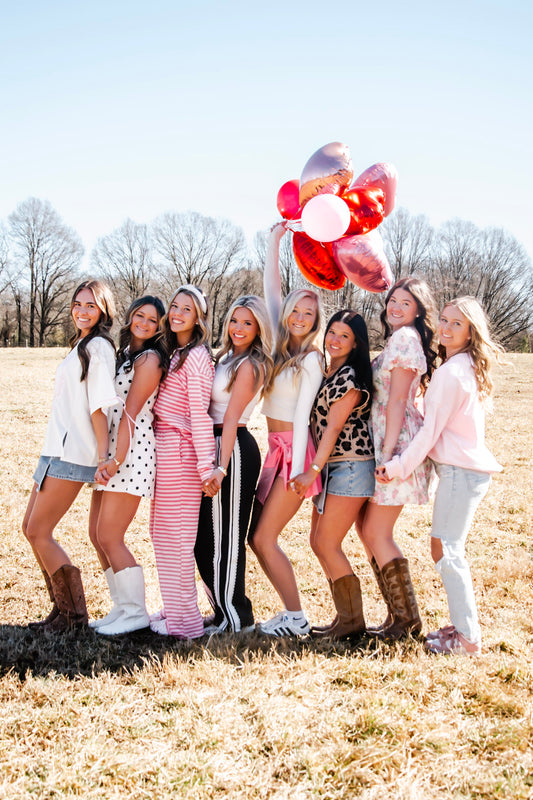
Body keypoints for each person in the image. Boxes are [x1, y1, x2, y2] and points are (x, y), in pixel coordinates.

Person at [376, 297, 503, 656]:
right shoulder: (460, 365)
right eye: (444, 320)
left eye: (456, 324)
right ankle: (462, 629)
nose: (445, 328)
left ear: (470, 332)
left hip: (462, 473)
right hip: (463, 472)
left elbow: (429, 433)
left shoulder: (452, 372)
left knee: (447, 550)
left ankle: (468, 639)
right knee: (446, 548)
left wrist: (397, 466)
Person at [22, 280, 118, 632]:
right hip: (54, 447)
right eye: (78, 303)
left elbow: (99, 407)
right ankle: (60, 609)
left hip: (74, 451)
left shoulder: (99, 347)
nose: (82, 310)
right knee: (29, 528)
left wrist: (104, 457)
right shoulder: (81, 343)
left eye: (91, 305)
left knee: (40, 530)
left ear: (103, 310)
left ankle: (74, 617)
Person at [249, 223, 324, 637]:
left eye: (308, 314)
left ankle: (296, 617)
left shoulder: (311, 360)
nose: (298, 317)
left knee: (264, 537)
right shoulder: (279, 344)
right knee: (256, 538)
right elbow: (271, 290)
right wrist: (274, 241)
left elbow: (302, 418)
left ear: (316, 322)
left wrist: (297, 470)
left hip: (295, 453)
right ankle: (291, 614)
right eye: (295, 310)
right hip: (275, 449)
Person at [360, 276, 437, 640]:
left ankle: (407, 621)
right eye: (393, 300)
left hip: (396, 443)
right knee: (368, 530)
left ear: (418, 310)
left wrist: (389, 455)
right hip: (386, 439)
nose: (396, 307)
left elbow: (398, 400)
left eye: (406, 303)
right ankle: (396, 617)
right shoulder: (399, 338)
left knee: (376, 531)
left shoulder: (406, 339)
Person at [292, 310, 375, 639]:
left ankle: (353, 624)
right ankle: (345, 618)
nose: (336, 340)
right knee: (317, 541)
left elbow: (334, 428)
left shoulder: (350, 376)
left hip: (351, 465)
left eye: (345, 336)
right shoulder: (330, 371)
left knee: (327, 543)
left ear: (356, 343)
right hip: (333, 465)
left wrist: (311, 471)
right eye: (332, 333)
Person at [88, 296, 167, 635]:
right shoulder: (124, 354)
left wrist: (116, 459)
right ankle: (121, 606)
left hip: (132, 452)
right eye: (140, 315)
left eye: (153, 320)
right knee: (96, 534)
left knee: (110, 535)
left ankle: (136, 612)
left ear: (160, 327)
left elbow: (131, 414)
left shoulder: (150, 359)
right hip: (112, 450)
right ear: (131, 316)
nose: (144, 323)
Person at [195, 295, 273, 634]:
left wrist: (221, 466)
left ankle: (236, 618)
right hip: (212, 445)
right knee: (203, 538)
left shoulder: (250, 365)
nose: (239, 328)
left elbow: (230, 417)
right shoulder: (225, 357)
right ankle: (221, 609)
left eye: (248, 323)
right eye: (235, 321)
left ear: (258, 329)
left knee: (226, 537)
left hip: (234, 449)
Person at [149, 286, 216, 639]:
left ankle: (186, 623)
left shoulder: (197, 357)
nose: (176, 313)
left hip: (181, 451)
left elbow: (200, 415)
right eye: (174, 306)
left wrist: (206, 468)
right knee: (161, 534)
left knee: (176, 539)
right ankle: (175, 608)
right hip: (165, 447)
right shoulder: (175, 351)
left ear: (198, 317)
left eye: (186, 309)